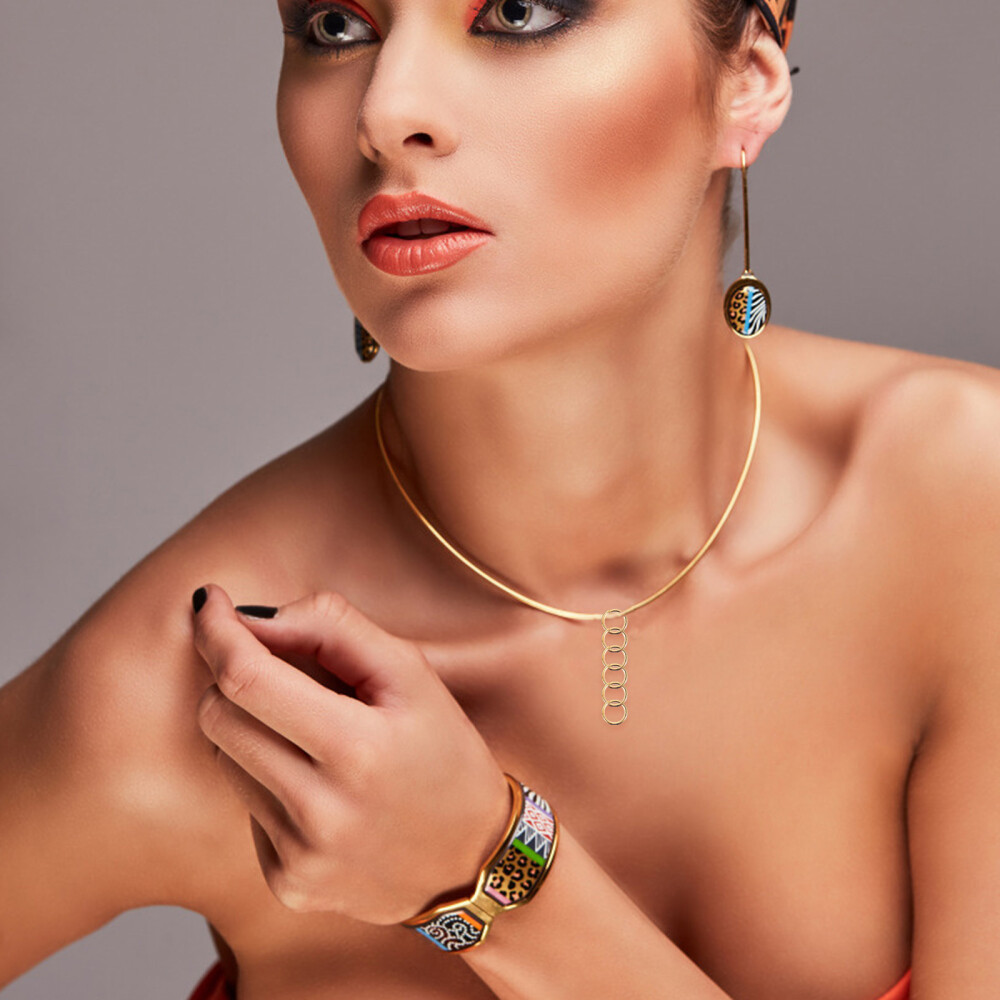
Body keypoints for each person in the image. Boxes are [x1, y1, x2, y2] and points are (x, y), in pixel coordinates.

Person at [2, 0, 998, 998]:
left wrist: (484, 871)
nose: (385, 112)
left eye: (518, 12)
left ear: (746, 78)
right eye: (336, 26)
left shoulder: (963, 506)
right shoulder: (205, 691)